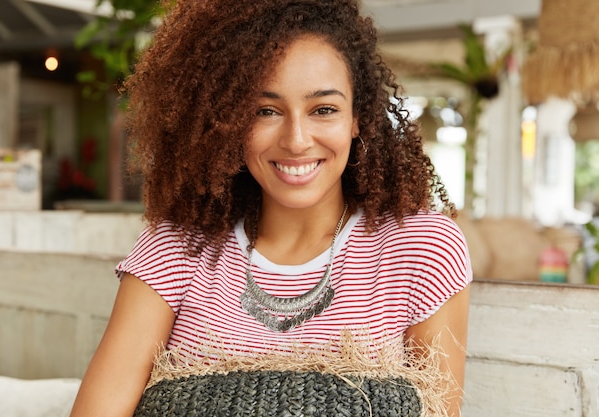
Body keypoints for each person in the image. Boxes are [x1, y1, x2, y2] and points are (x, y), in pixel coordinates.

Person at [70, 0, 472, 416]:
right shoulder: (175, 249)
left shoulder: (422, 249)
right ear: (226, 121)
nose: (296, 140)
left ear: (358, 118)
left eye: (324, 109)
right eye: (266, 111)